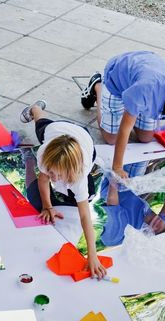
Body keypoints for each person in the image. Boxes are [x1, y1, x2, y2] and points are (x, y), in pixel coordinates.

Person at [81, 51, 165, 181]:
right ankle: (97, 85)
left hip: (145, 83)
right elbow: (125, 129)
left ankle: (136, 108)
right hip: (118, 78)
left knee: (146, 137)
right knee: (111, 138)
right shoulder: (146, 89)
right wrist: (118, 167)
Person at [19, 100, 106, 279]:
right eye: (51, 172)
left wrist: (93, 255)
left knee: (86, 193)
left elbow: (84, 216)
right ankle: (36, 108)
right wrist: (47, 207)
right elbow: (43, 181)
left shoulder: (80, 177)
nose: (54, 179)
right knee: (40, 121)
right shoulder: (44, 154)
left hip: (84, 140)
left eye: (59, 176)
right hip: (54, 130)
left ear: (72, 172)